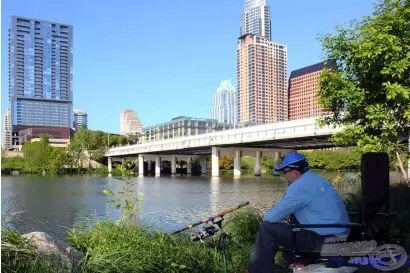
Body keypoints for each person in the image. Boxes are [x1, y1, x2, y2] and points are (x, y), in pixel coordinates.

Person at [247, 152, 350, 273]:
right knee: (295, 216)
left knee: (267, 228)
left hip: (325, 241)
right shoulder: (317, 179)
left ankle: (258, 270)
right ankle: (292, 260)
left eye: (285, 172)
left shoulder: (300, 186)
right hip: (340, 237)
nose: (285, 176)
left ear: (294, 172)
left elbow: (270, 217)